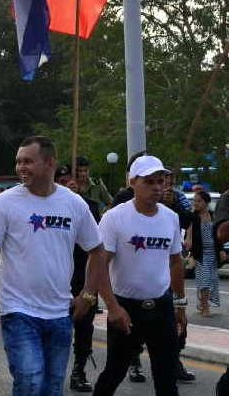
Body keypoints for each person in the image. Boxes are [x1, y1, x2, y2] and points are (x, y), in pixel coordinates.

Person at [0, 136, 107, 396]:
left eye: (28, 161)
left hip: (59, 312)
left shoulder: (73, 203)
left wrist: (88, 296)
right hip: (17, 309)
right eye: (18, 162)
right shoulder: (4, 203)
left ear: (50, 163)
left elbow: (97, 251)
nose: (21, 167)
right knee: (30, 380)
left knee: (52, 387)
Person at [92, 155, 187, 396]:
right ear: (132, 182)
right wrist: (112, 307)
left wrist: (180, 305)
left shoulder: (170, 217)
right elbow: (99, 265)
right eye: (149, 182)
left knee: (167, 376)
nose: (157, 187)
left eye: (161, 181)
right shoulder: (115, 217)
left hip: (161, 306)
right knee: (115, 371)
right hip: (127, 308)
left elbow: (176, 262)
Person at [55, 165, 104, 393]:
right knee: (57, 330)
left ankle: (79, 369)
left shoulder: (89, 207)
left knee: (85, 328)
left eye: (72, 181)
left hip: (83, 277)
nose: (69, 184)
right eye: (63, 181)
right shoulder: (50, 209)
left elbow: (96, 245)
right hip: (57, 278)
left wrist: (90, 290)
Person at [186, 190, 223, 316]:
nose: (195, 203)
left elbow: (219, 235)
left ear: (206, 202)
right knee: (205, 280)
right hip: (201, 254)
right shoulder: (193, 217)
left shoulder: (213, 216)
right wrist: (190, 252)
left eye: (199, 201)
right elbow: (189, 235)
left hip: (213, 253)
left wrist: (221, 249)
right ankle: (205, 308)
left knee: (211, 280)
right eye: (194, 201)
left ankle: (202, 304)